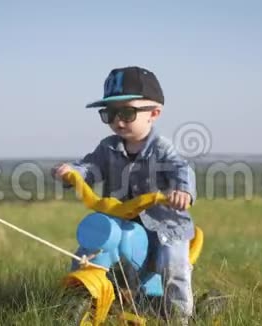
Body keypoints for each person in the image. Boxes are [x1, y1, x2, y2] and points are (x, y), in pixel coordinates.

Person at [52, 66, 197, 322]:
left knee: (171, 265)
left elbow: (181, 169)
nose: (118, 121)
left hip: (164, 225)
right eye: (109, 113)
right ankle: (87, 297)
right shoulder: (108, 147)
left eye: (127, 113)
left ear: (154, 113)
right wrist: (71, 172)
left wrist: (182, 191)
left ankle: (179, 317)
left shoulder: (162, 149)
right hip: (121, 220)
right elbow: (91, 167)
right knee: (88, 253)